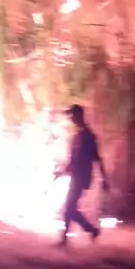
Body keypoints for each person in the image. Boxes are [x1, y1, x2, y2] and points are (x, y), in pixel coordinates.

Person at [55, 104, 109, 246]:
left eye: (72, 115)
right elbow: (72, 160)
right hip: (76, 177)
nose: (71, 118)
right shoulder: (77, 137)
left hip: (82, 177)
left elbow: (97, 158)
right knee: (69, 208)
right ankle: (84, 233)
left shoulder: (88, 136)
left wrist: (104, 179)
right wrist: (61, 172)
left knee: (69, 207)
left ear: (78, 116)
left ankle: (89, 230)